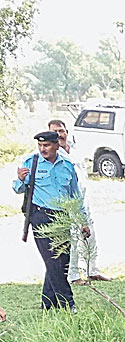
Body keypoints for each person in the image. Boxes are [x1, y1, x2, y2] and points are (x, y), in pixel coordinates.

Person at [13, 130, 90, 311]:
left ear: (57, 145)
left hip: (62, 218)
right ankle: (68, 303)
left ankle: (48, 304)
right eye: (40, 145)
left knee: (62, 261)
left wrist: (83, 221)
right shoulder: (31, 163)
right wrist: (20, 180)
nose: (42, 149)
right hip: (41, 217)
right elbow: (18, 189)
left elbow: (75, 196)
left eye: (46, 145)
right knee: (52, 260)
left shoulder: (67, 166)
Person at [49, 119, 108, 285]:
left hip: (83, 198)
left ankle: (91, 270)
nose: (59, 135)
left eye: (61, 131)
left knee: (91, 235)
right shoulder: (53, 155)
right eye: (55, 132)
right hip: (68, 202)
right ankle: (73, 275)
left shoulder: (75, 150)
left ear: (66, 132)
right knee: (74, 237)